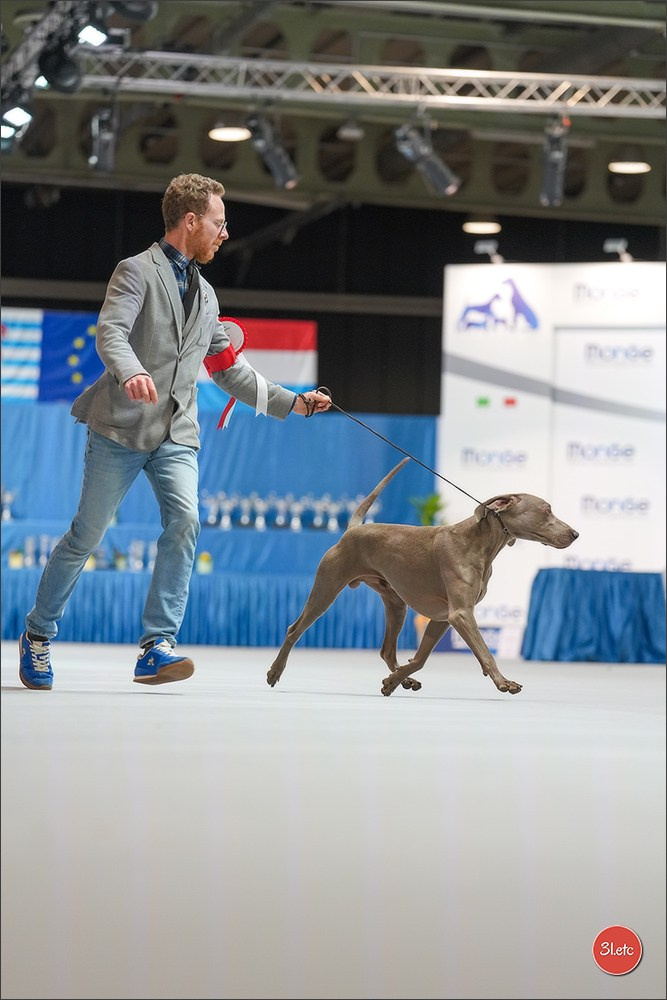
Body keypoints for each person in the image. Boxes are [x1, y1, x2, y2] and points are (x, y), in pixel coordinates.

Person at [19, 172, 331, 691]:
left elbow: (229, 370)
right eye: (218, 222)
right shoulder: (135, 272)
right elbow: (111, 331)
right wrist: (132, 370)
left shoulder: (207, 294)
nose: (224, 233)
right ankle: (38, 635)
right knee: (86, 536)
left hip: (175, 434)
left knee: (185, 520)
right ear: (191, 221)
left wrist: (294, 403)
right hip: (119, 429)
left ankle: (156, 647)